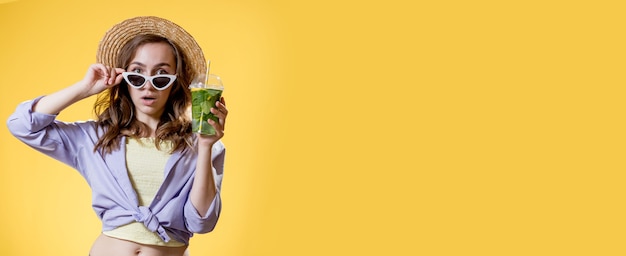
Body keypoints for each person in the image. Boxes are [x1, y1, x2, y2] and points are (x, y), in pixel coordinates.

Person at [6, 16, 227, 256]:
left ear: (175, 83)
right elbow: (21, 125)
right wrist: (84, 89)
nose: (148, 86)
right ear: (124, 80)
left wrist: (204, 147)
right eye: (137, 74)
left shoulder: (200, 146)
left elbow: (201, 222)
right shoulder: (95, 138)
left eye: (161, 76)